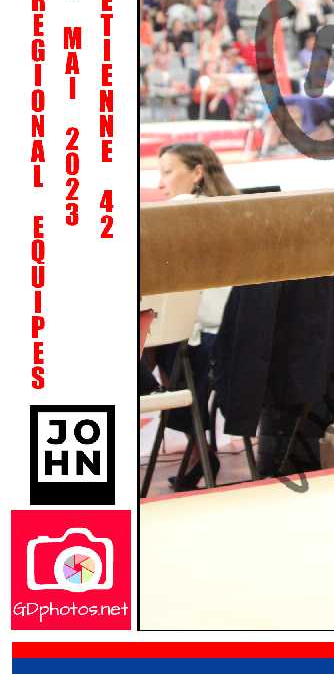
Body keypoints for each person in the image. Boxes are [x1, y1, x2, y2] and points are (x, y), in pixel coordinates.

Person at [149, 143, 239, 490]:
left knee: (153, 349)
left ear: (197, 172)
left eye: (168, 172)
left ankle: (196, 443)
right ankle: (197, 447)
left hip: (209, 340)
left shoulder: (183, 208)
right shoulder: (237, 207)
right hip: (238, 335)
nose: (161, 183)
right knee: (157, 346)